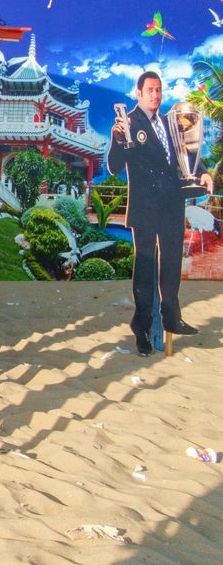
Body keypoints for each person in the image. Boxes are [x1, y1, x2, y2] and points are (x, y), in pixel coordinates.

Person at [109, 72, 207, 355]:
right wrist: (117, 139)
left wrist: (203, 174)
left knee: (172, 261)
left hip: (172, 203)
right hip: (146, 205)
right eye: (150, 90)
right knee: (146, 266)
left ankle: (171, 317)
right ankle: (141, 327)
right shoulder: (129, 123)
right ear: (138, 93)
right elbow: (115, 166)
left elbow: (185, 154)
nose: (156, 95)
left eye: (159, 90)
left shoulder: (170, 123)